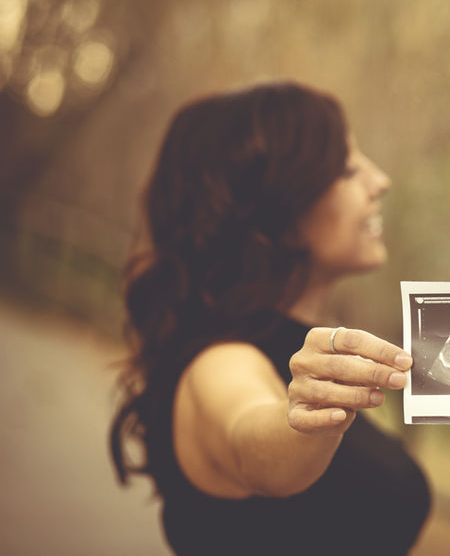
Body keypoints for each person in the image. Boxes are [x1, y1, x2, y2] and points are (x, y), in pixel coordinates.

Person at [108, 82, 430, 554]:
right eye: (346, 169)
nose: (379, 181)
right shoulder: (221, 363)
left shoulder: (292, 344)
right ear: (281, 208)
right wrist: (304, 420)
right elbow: (253, 442)